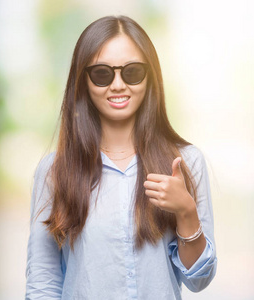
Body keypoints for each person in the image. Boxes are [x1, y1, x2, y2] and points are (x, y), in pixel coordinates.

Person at [25, 15, 217, 300]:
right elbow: (43, 283)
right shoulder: (54, 171)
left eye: (132, 72)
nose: (117, 85)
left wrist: (186, 212)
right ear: (83, 81)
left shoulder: (186, 162)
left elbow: (199, 281)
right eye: (102, 73)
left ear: (150, 76)